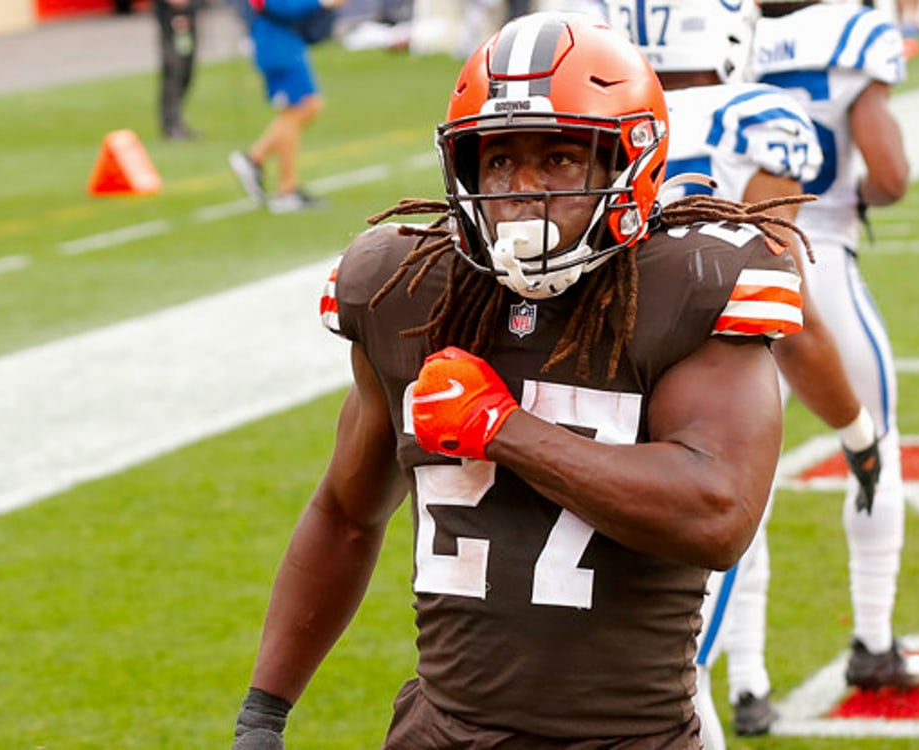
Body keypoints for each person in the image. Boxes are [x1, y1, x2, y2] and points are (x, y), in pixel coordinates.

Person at [230, 13, 812, 749]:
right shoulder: (409, 290)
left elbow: (717, 514)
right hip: (440, 732)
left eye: (561, 159)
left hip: (625, 737)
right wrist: (263, 714)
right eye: (498, 162)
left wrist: (504, 431)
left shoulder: (690, 284)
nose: (522, 191)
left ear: (628, 164)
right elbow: (346, 514)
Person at [606, 0, 884, 741]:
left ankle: (751, 681)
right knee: (675, 676)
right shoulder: (754, 118)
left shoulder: (596, 119)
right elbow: (785, 314)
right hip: (698, 404)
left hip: (591, 401)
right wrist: (856, 431)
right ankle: (740, 688)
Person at [713, 0, 919, 731]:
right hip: (819, 256)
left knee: (739, 479)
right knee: (874, 446)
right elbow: (891, 174)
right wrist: (851, 201)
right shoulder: (856, 29)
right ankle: (872, 639)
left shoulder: (721, 29)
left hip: (725, 275)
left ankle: (746, 680)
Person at [227, 0, 341, 214]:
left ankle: (255, 159)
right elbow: (282, 6)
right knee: (296, 110)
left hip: (284, 42)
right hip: (277, 45)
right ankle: (285, 189)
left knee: (308, 106)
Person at [156, 0, 199, 142]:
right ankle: (171, 124)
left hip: (188, 17)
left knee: (187, 71)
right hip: (171, 17)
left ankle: (178, 120)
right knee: (174, 72)